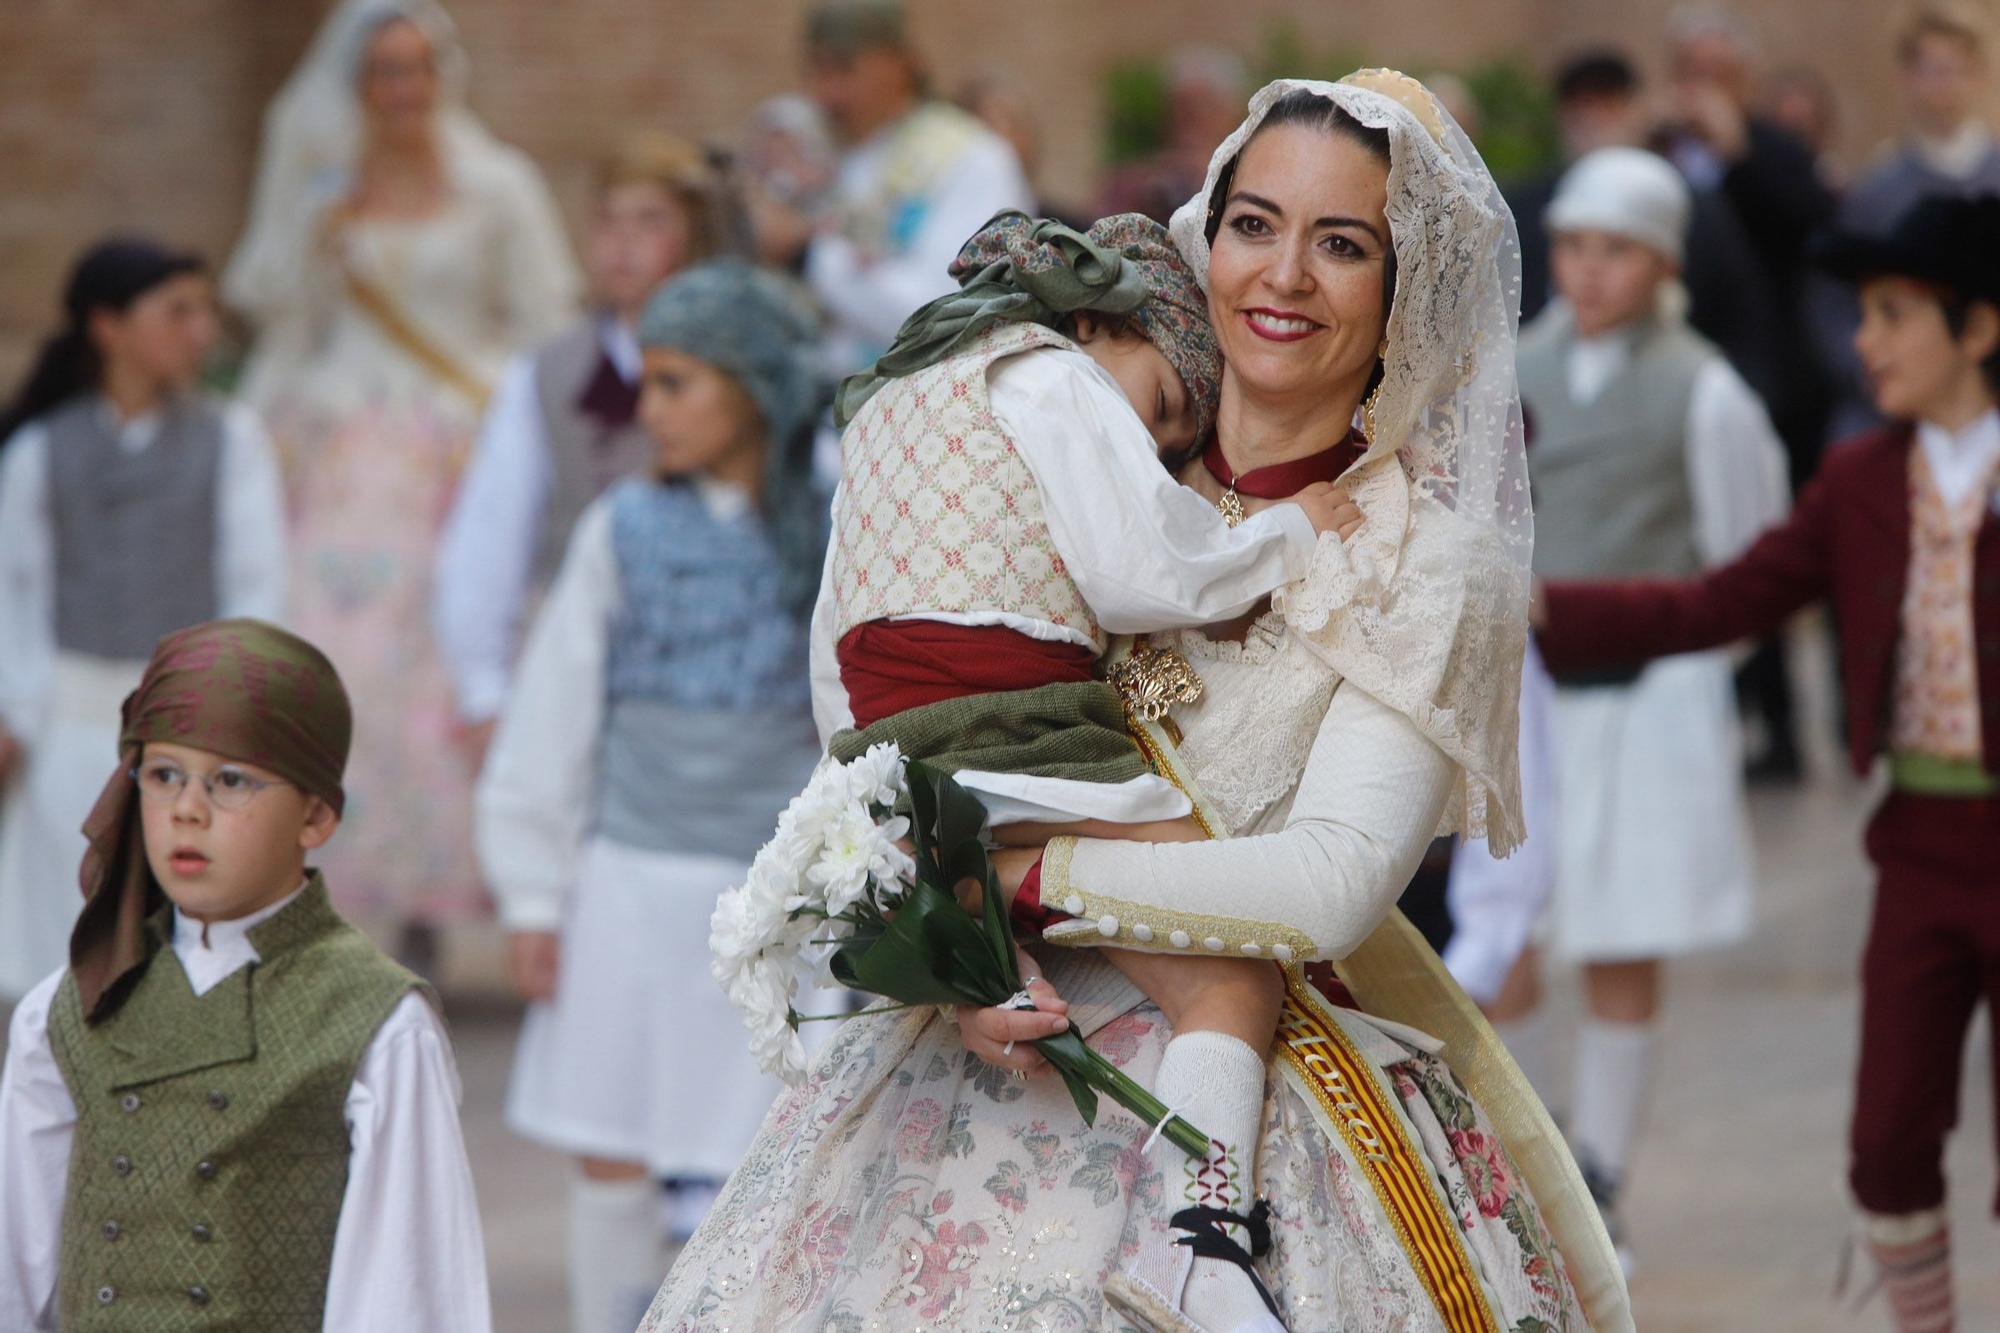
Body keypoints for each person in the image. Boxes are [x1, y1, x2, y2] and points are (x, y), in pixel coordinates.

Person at [642, 72, 1631, 1333]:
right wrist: (947, 944)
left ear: (1406, 294)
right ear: (1201, 239)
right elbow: (904, 697)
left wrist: (1012, 876)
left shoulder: (1418, 562)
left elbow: (1327, 883)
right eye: (1252, 224)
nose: (1280, 276)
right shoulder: (1088, 452)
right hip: (985, 1041)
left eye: (1342, 246)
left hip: (1234, 1090)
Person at [820, 208, 1357, 1326]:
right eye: (1162, 407)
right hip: (1024, 736)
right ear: (1090, 319)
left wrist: (873, 810)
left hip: (897, 753)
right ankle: (1201, 1249)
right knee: (1232, 971)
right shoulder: (1050, 376)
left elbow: (828, 637)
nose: (1152, 451)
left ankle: (1000, 933)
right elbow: (1140, 569)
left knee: (1046, 980)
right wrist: (1292, 531)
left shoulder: (884, 406)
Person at [1534, 192, 2000, 1333]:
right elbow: (1718, 598)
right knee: (1885, 1133)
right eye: (1862, 315)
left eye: (1892, 315)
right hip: (1917, 854)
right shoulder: (1856, 483)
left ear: (1976, 331)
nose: (1864, 343)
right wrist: (1541, 608)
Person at [475, 260, 828, 1333]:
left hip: (760, 904)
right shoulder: (619, 528)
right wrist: (534, 894)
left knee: (749, 1149)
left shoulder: (831, 530)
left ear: (754, 386)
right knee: (611, 1138)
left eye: (678, 382)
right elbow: (554, 713)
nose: (650, 408)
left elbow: (847, 718)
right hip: (624, 883)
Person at [0, 618, 490, 1331]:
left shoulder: (378, 1025)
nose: (187, 810)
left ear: (316, 814)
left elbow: (407, 1298)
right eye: (164, 775)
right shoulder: (65, 1010)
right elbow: (15, 1275)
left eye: (230, 780)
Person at [223, 0, 579, 943]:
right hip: (346, 453)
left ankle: (445, 889)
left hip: (458, 449)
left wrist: (509, 433)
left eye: (417, 68)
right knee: (342, 659)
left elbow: (544, 320)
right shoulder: (323, 187)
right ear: (357, 85)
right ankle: (342, 885)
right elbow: (277, 311)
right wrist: (315, 228)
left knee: (453, 658)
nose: (403, 90)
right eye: (384, 71)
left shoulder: (497, 184)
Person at [1495, 147, 1790, 1260]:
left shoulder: (1701, 385)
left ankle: (1603, 1169)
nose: (1587, 269)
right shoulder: (1513, 369)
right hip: (1529, 702)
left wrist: (1683, 658)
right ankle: (1528, 1165)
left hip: (1650, 700)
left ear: (1659, 260)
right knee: (1506, 928)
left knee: (1621, 930)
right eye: (1571, 245)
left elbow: (1746, 553)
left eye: (1613, 249)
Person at [0, 240, 285, 1002]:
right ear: (109, 325)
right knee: (58, 941)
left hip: (183, 726)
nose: (201, 333)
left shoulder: (232, 441)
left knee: (175, 943)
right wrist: (15, 713)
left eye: (206, 312)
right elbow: (14, 594)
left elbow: (255, 588)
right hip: (64, 716)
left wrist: (233, 717)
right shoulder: (40, 450)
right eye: (178, 312)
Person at [433, 133, 725, 761]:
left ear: (693, 237)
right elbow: (491, 529)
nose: (623, 243)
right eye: (608, 222)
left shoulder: (738, 368)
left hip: (714, 669)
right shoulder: (546, 374)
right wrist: (483, 688)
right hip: (577, 665)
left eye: (649, 221)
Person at [796, 0, 1032, 377]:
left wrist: (815, 256)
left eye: (844, 68)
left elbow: (953, 310)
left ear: (901, 61)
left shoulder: (972, 157)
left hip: (932, 403)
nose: (828, 94)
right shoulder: (838, 158)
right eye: (817, 71)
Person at [1814, 2, 2000, 443]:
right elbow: (1831, 303)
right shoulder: (1879, 191)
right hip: (1898, 408)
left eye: (1955, 69)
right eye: (1931, 70)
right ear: (1907, 78)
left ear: (1978, 74)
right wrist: (1876, 368)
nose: (1943, 85)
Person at [1099, 47, 1253, 226]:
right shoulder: (1131, 183)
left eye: (1206, 107)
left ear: (1235, 115)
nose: (1194, 117)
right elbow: (1098, 234)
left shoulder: (1252, 179)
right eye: (1182, 108)